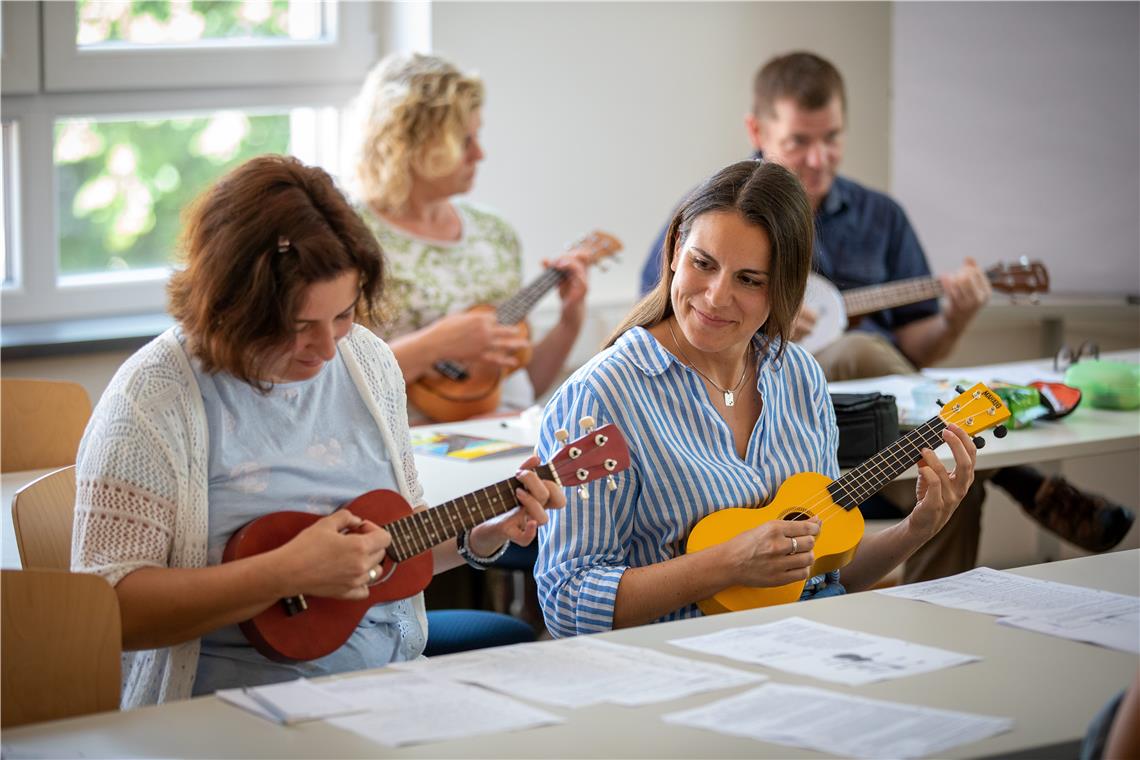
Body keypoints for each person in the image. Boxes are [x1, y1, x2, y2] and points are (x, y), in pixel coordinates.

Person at [71, 155, 564, 709]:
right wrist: (284, 572)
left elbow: (391, 550)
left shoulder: (368, 363)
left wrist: (482, 533)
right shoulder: (154, 397)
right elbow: (111, 608)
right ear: (231, 306)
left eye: (344, 315)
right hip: (228, 711)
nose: (328, 348)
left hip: (392, 689)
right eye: (299, 327)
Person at [640, 51, 1132, 581]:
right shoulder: (717, 212)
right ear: (757, 130)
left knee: (946, 478)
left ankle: (935, 618)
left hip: (879, 411)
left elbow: (919, 349)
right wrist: (767, 317)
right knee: (857, 349)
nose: (818, 158)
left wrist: (957, 318)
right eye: (798, 141)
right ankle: (1022, 477)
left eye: (831, 138)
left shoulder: (882, 217)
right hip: (768, 391)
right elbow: (671, 318)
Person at [534, 160, 978, 636]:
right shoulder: (599, 397)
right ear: (675, 251)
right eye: (703, 264)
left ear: (786, 288)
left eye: (749, 279)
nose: (715, 297)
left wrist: (916, 528)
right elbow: (567, 604)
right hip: (683, 664)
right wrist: (724, 565)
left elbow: (822, 579)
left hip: (809, 646)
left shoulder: (799, 375)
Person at [354, 52, 589, 424]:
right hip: (400, 451)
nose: (480, 154)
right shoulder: (349, 235)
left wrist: (570, 321)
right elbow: (333, 384)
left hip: (501, 444)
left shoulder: (495, 234)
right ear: (411, 144)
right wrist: (435, 345)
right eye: (464, 141)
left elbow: (521, 384)